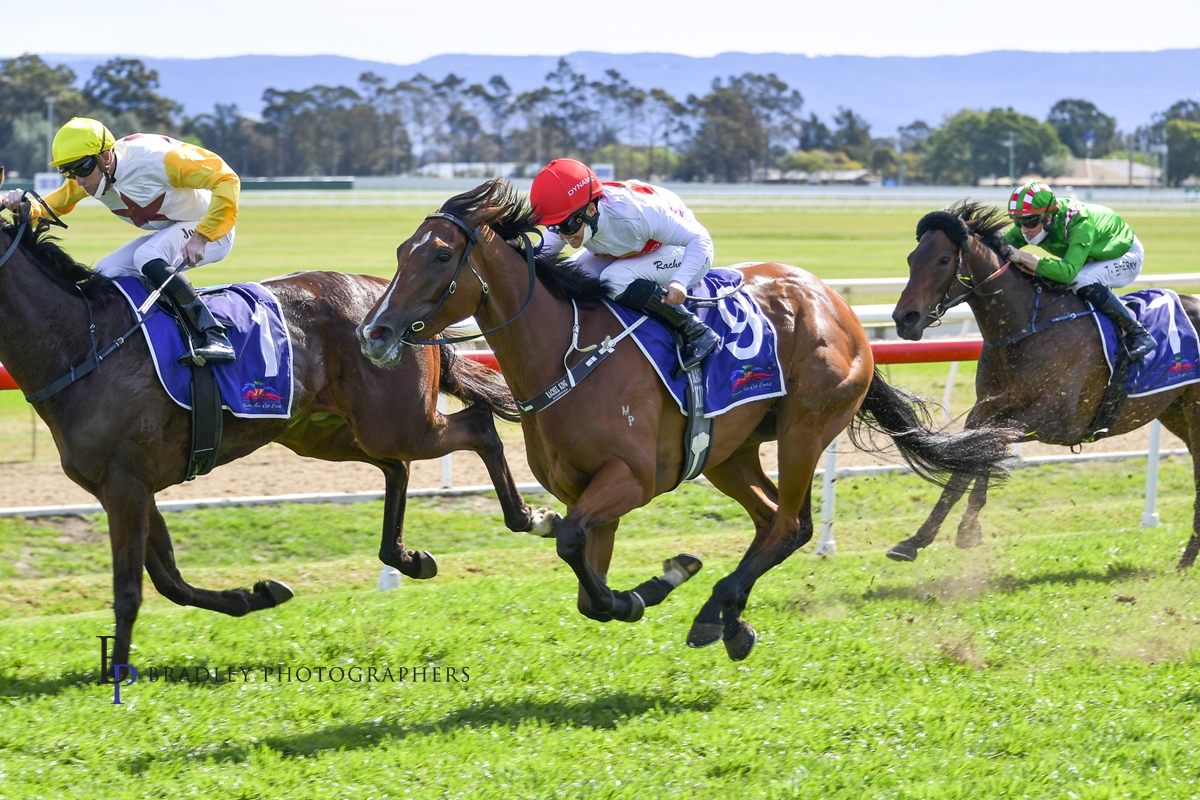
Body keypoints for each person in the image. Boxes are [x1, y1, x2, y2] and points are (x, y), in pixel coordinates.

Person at [1, 116, 239, 364]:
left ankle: (214, 335)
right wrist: (24, 208)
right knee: (105, 272)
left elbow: (226, 178)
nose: (79, 180)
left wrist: (203, 235)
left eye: (82, 168)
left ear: (106, 157)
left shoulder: (158, 159)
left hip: (210, 230)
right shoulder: (89, 176)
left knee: (146, 256)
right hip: (173, 229)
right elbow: (53, 205)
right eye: (68, 171)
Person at [530, 158, 720, 372]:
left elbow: (700, 240)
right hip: (634, 247)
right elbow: (537, 261)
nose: (561, 235)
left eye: (566, 225)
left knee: (615, 278)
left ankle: (697, 331)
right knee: (573, 277)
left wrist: (680, 281)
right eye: (554, 226)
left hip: (685, 250)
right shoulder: (577, 217)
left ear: (591, 210)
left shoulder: (635, 213)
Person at [1001, 181, 1156, 359]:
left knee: (1080, 279)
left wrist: (1024, 257)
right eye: (1018, 222)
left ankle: (1138, 333)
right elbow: (998, 244)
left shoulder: (1079, 222)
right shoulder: (1035, 222)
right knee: (1052, 277)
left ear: (1049, 217)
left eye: (1030, 222)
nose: (1024, 230)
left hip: (1124, 254)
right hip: (1091, 255)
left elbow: (1068, 273)